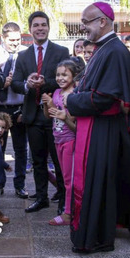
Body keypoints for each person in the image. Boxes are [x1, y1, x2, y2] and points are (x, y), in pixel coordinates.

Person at [63, 2, 130, 253]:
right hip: (95, 128)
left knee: (96, 184)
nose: (83, 27)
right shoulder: (103, 48)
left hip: (102, 130)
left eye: (86, 22)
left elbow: (105, 98)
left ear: (102, 21)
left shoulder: (115, 51)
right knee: (97, 184)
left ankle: (93, 238)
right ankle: (94, 236)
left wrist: (72, 100)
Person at [12, 11, 69, 214]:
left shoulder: (61, 51)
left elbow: (67, 80)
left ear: (48, 27)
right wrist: (27, 84)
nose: (40, 28)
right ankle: (41, 197)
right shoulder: (23, 55)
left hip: (55, 114)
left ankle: (64, 200)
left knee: (60, 160)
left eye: (43, 24)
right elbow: (16, 84)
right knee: (38, 161)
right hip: (32, 115)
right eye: (36, 25)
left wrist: (47, 83)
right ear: (30, 29)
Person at [0, 22, 29, 199]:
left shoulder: (26, 53)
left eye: (18, 39)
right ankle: (0, 184)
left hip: (19, 108)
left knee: (21, 149)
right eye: (11, 40)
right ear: (3, 37)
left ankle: (20, 185)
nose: (15, 43)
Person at [42, 59, 80, 226]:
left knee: (69, 179)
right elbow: (48, 115)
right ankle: (69, 210)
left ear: (74, 76)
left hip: (70, 141)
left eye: (65, 74)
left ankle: (69, 213)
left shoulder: (75, 95)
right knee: (65, 178)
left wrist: (63, 114)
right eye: (58, 74)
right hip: (58, 140)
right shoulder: (56, 92)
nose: (60, 78)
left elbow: (75, 125)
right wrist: (47, 104)